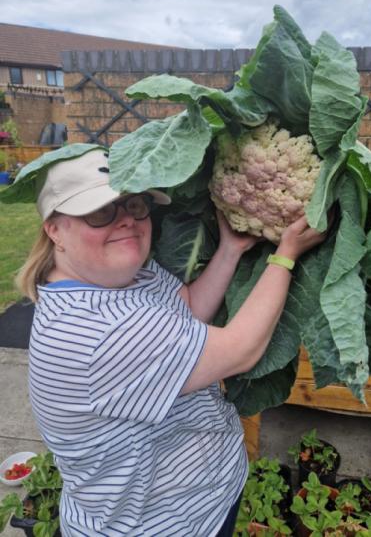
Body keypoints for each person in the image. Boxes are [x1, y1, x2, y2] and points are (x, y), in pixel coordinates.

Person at [12, 144, 327, 536]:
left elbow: (190, 306)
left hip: (201, 501)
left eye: (135, 205)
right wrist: (285, 255)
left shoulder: (129, 278)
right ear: (54, 229)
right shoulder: (93, 333)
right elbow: (240, 349)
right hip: (161, 525)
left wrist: (230, 249)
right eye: (100, 211)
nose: (126, 220)